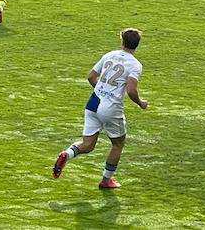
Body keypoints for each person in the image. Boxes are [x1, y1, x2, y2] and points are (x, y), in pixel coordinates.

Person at [52, 28, 148, 189]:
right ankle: (106, 180)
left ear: (121, 40)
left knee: (87, 144)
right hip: (110, 107)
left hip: (93, 102)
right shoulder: (135, 65)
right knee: (118, 144)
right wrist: (141, 103)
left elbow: (91, 76)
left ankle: (66, 154)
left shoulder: (109, 55)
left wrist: (102, 89)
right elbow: (131, 90)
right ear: (137, 45)